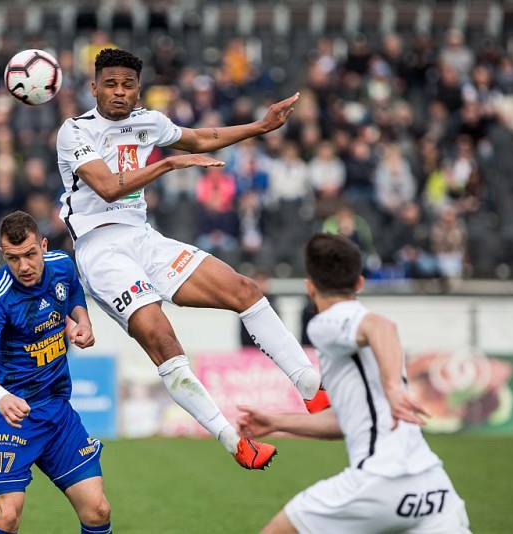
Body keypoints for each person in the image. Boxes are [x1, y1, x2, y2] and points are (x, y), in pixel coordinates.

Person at [56, 48, 320, 470]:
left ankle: (311, 389)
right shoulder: (76, 131)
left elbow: (201, 138)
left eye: (127, 85)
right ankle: (234, 441)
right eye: (110, 84)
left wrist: (261, 126)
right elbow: (107, 188)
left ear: (138, 90)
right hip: (101, 251)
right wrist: (169, 164)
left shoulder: (150, 123)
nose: (119, 92)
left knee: (244, 289)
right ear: (94, 88)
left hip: (143, 239)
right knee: (164, 340)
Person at [238, 233, 471, 533]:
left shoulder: (327, 324)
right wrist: (276, 422)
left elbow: (381, 326)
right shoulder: (366, 337)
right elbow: (346, 421)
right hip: (432, 486)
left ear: (309, 287)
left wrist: (392, 389)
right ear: (360, 283)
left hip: (379, 480)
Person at [0, 211, 112, 534]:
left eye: (31, 254)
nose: (24, 266)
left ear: (43, 246)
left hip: (56, 410)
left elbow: (73, 291)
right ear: (3, 255)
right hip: (10, 415)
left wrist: (82, 320)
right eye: (13, 258)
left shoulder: (61, 265)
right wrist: (1, 397)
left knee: (97, 509)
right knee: (7, 515)